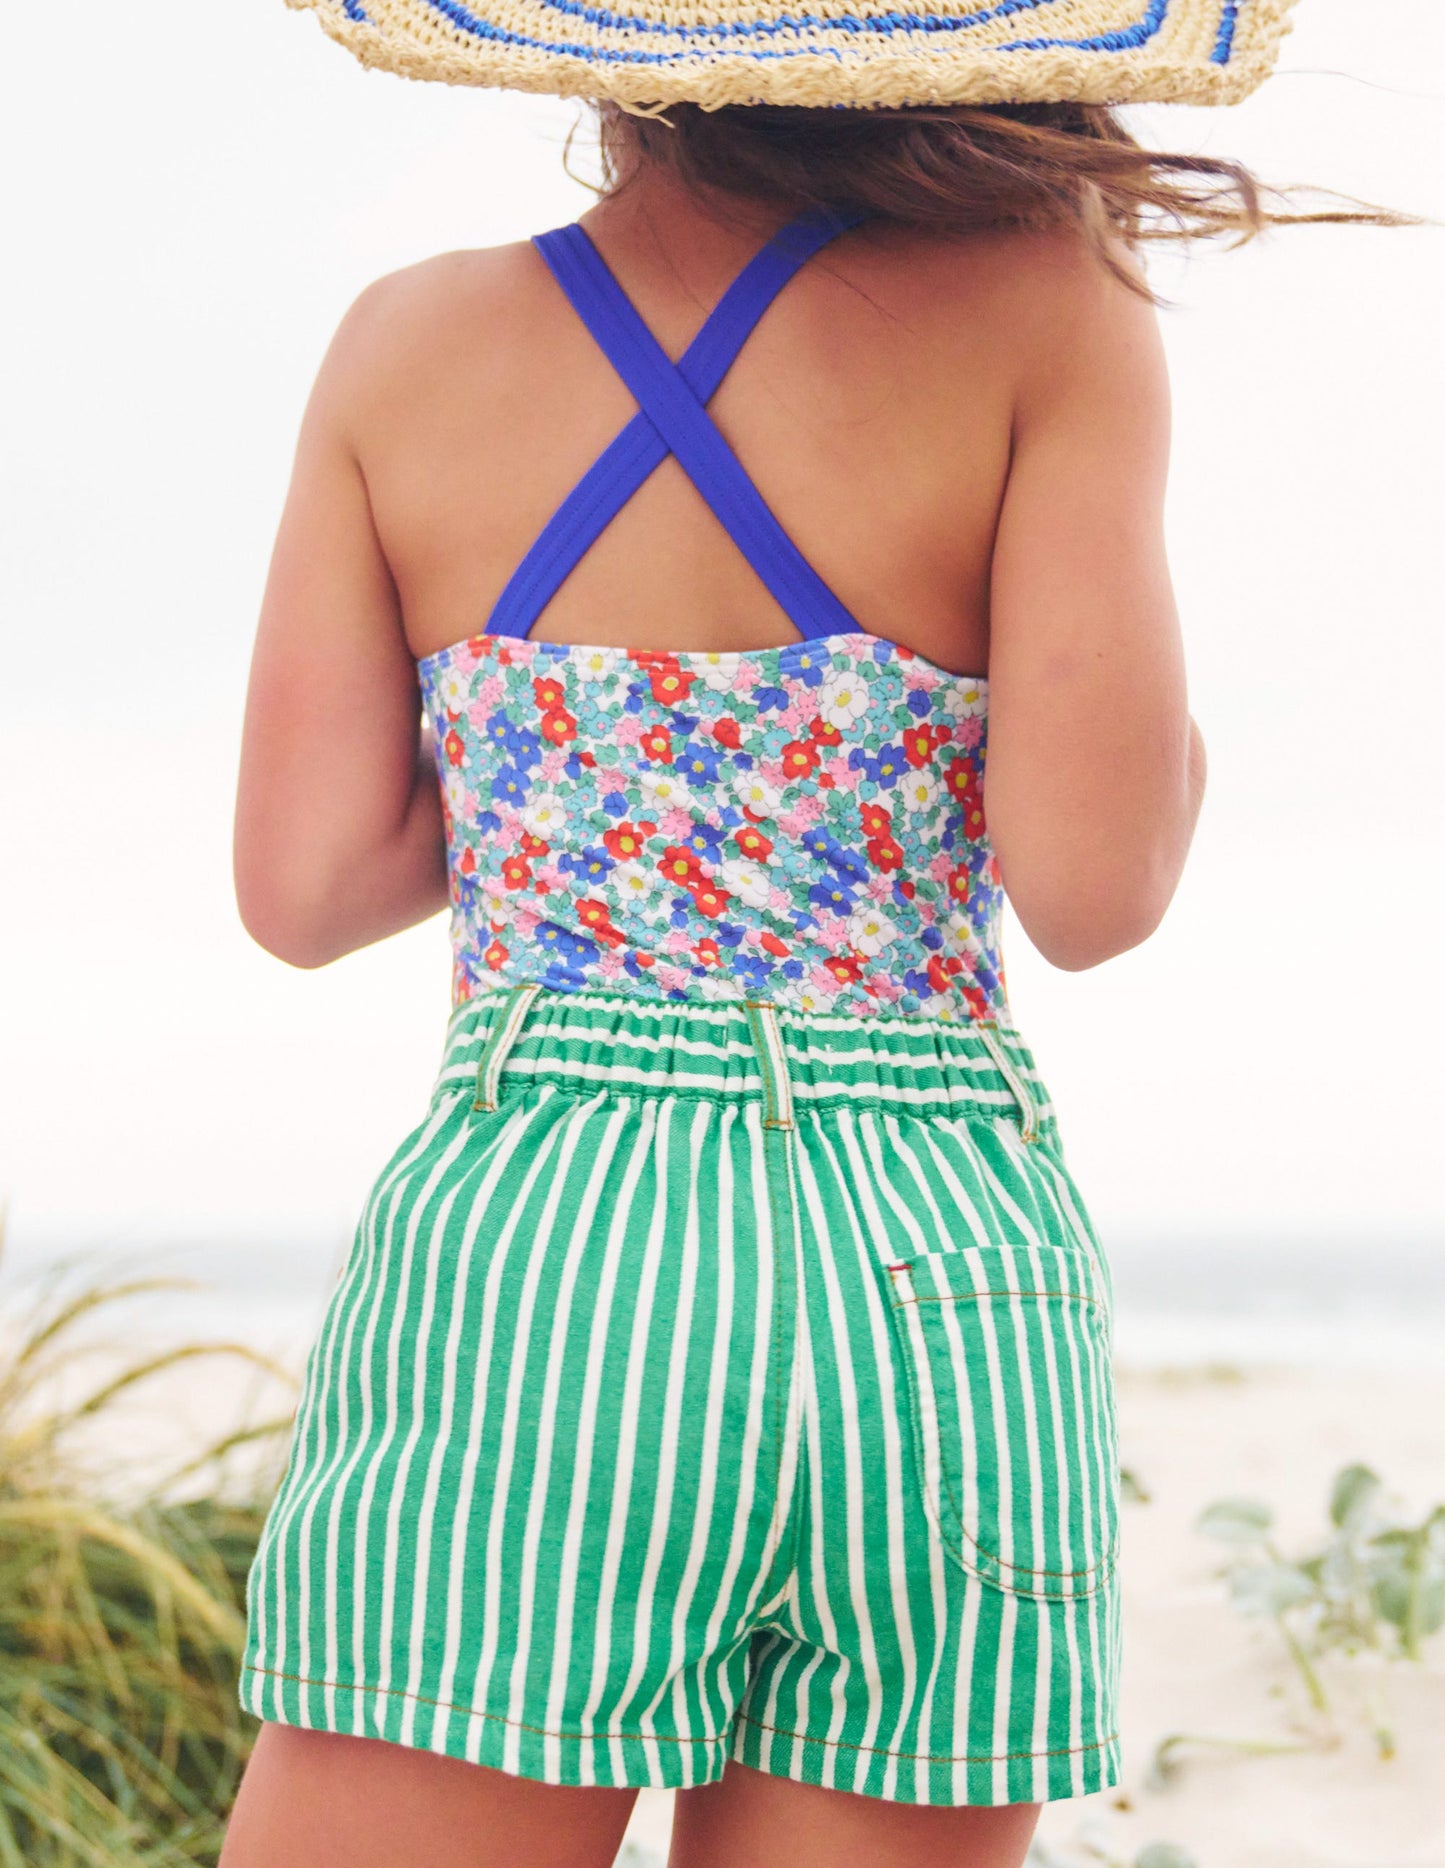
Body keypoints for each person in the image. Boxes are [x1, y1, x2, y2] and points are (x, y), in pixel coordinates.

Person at [219, 7, 1307, 1865]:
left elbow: (308, 886)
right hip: (928, 1266)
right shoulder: (1050, 307)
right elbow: (1092, 888)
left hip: (546, 1260)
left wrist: (578, 774)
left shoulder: (408, 342)